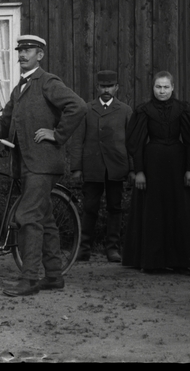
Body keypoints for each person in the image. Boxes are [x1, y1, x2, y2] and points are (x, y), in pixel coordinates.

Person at [0, 34, 86, 297]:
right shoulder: (19, 88)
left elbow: (78, 107)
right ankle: (54, 276)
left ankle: (29, 279)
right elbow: (5, 120)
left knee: (27, 217)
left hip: (42, 163)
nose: (23, 55)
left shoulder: (47, 82)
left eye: (29, 50)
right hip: (26, 164)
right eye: (20, 50)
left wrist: (57, 134)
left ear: (40, 55)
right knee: (44, 220)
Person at [123, 70, 190, 272]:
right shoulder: (144, 110)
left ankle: (182, 261)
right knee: (153, 209)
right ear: (153, 88)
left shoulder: (183, 110)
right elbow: (136, 143)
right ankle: (153, 262)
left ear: (172, 88)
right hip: (152, 165)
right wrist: (140, 172)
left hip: (177, 166)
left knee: (181, 209)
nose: (161, 91)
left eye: (165, 87)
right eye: (158, 87)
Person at [69, 69, 133, 263]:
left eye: (110, 86)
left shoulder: (125, 110)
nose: (106, 90)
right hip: (92, 166)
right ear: (97, 87)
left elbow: (132, 142)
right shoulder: (87, 109)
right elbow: (77, 139)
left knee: (115, 207)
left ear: (117, 88)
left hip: (116, 166)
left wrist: (132, 169)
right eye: (103, 86)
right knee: (89, 207)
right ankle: (84, 248)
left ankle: (112, 248)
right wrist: (77, 168)